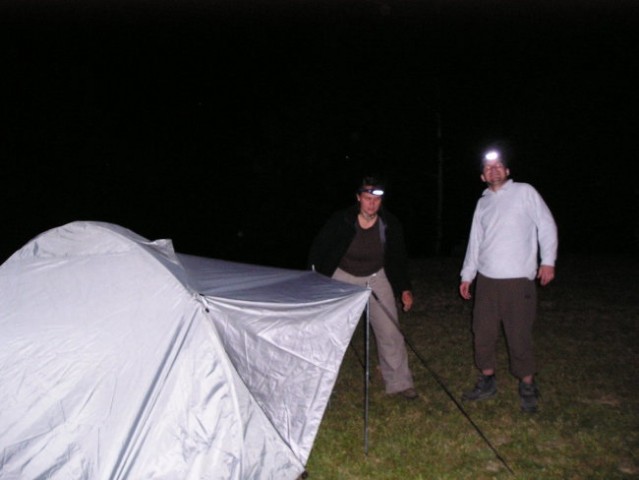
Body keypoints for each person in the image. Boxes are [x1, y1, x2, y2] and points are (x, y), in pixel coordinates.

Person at [459, 150, 558, 413]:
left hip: (518, 281)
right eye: (488, 167)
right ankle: (488, 380)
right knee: (482, 333)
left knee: (519, 335)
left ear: (507, 171)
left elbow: (546, 224)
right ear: (482, 176)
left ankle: (527, 385)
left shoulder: (525, 192)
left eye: (499, 165)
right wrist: (467, 275)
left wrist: (548, 260)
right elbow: (475, 242)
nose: (494, 170)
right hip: (487, 281)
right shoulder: (483, 203)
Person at [308, 176, 418, 399]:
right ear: (359, 198)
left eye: (376, 200)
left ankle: (399, 382)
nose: (372, 204)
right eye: (367, 199)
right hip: (342, 276)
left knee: (390, 331)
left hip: (376, 277)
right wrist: (314, 281)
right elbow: (318, 251)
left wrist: (404, 289)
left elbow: (398, 259)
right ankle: (320, 384)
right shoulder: (342, 220)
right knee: (330, 332)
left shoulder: (390, 224)